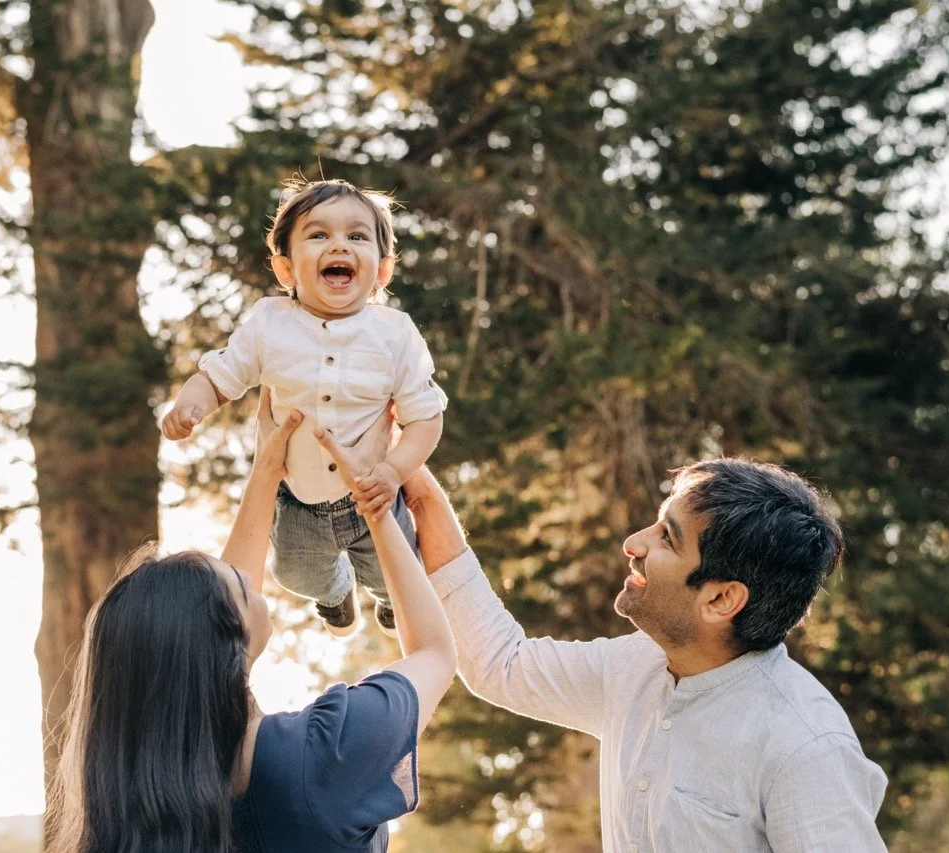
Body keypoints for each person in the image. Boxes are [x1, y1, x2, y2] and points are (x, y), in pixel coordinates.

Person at [400, 458, 888, 852]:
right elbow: (501, 665)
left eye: (667, 538)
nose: (633, 544)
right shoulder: (633, 666)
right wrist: (420, 496)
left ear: (721, 600)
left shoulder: (806, 747)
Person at [50, 390, 457, 853]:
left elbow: (220, 621)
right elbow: (434, 654)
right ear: (224, 635)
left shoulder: (145, 817)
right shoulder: (327, 756)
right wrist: (373, 503)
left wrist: (269, 470)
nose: (242, 574)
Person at [160, 178, 447, 638]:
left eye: (357, 236)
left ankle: (391, 604)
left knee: (395, 569)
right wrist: (189, 406)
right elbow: (218, 377)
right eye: (319, 235)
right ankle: (335, 597)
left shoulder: (395, 334)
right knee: (295, 574)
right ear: (286, 269)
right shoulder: (269, 324)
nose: (340, 245)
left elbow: (425, 418)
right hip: (298, 503)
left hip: (371, 495)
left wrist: (393, 471)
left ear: (384, 269)